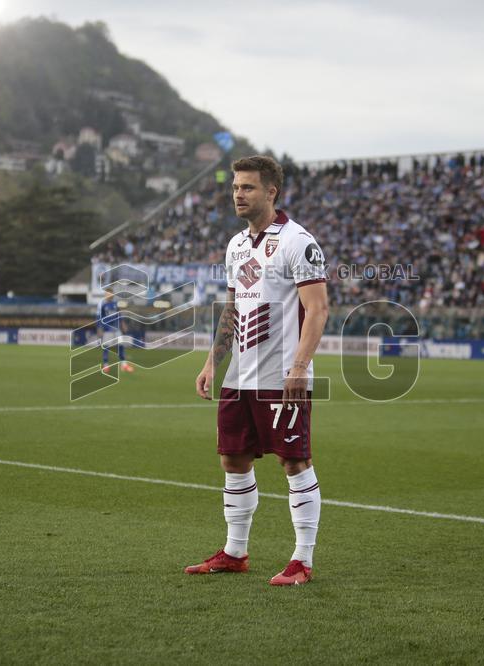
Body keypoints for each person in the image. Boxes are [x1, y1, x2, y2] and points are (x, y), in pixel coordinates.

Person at [186, 155, 329, 586]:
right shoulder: (236, 245)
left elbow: (318, 309)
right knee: (233, 459)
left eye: (247, 187)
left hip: (282, 376)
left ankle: (302, 559)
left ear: (271, 191)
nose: (238, 194)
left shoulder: (297, 242)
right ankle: (235, 552)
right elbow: (232, 306)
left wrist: (300, 368)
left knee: (294, 461)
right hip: (239, 376)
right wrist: (213, 361)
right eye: (234, 187)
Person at [97, 289, 133, 373]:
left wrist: (123, 324)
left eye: (111, 293)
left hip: (116, 329)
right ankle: (106, 365)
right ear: (105, 295)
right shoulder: (102, 305)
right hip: (107, 330)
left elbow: (119, 315)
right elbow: (99, 318)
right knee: (106, 347)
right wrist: (100, 328)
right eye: (107, 293)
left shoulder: (115, 304)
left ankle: (124, 365)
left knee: (120, 346)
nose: (109, 295)